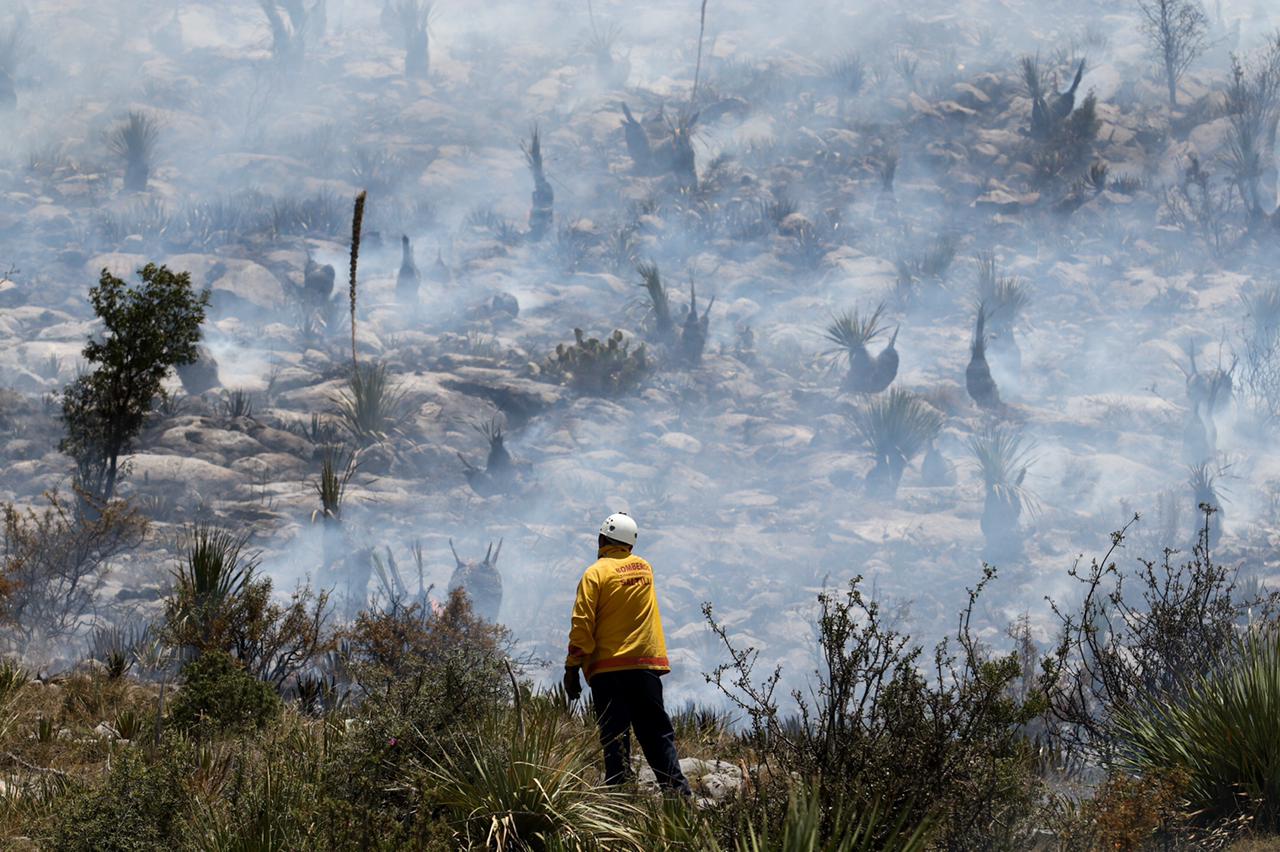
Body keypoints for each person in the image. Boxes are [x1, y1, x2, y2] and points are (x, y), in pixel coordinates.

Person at [563, 513, 691, 795]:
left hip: (608, 672)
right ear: (630, 546)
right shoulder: (644, 569)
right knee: (657, 736)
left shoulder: (595, 573)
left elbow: (582, 623)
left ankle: (622, 806)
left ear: (600, 540)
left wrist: (572, 668)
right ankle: (679, 803)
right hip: (645, 667)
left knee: (615, 741)